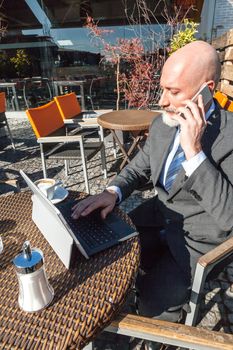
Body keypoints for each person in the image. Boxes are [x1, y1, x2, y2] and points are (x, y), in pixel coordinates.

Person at [71, 41, 233, 324]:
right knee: (101, 250)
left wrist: (194, 153)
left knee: (151, 305)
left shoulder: (229, 136)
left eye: (173, 91)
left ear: (207, 90)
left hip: (199, 243)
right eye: (162, 88)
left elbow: (230, 217)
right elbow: (139, 166)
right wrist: (114, 191)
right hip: (158, 217)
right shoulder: (162, 124)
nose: (161, 101)